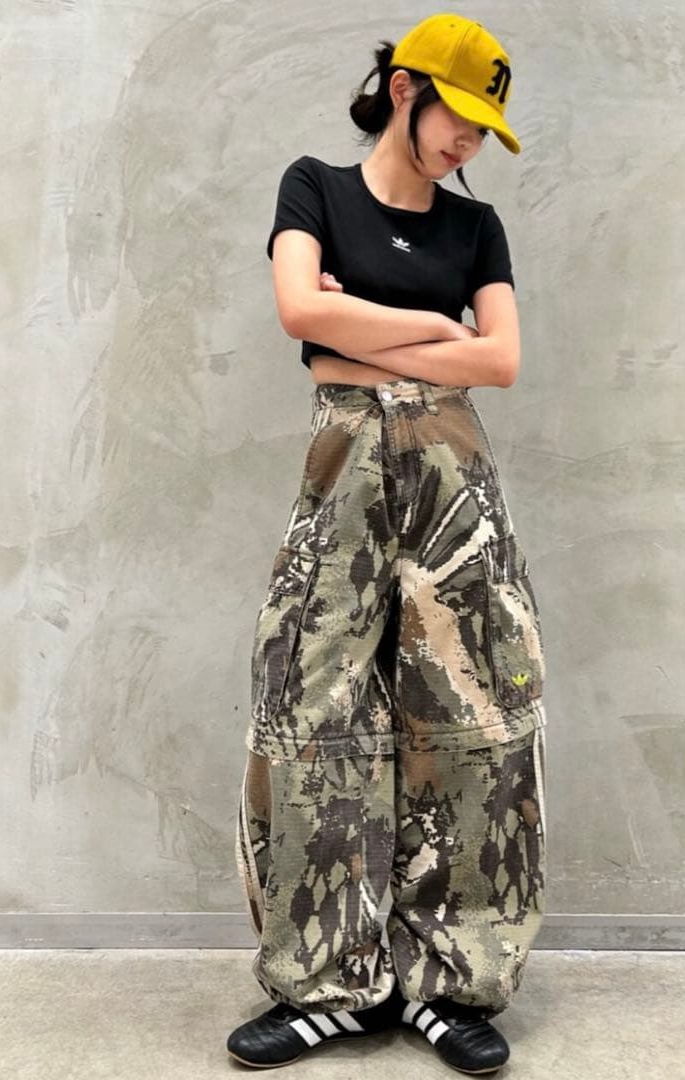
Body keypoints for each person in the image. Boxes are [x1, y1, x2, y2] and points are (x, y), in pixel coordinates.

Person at [228, 12, 548, 1075]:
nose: (468, 143)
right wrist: (439, 330)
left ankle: (447, 985)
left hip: (455, 485)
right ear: (407, 89)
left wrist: (356, 330)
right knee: (314, 713)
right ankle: (328, 985)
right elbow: (297, 315)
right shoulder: (314, 187)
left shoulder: (477, 228)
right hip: (343, 479)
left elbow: (499, 362)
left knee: (470, 719)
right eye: (461, 118)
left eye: (484, 130)